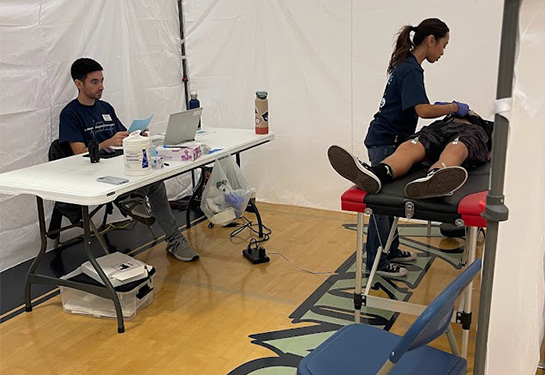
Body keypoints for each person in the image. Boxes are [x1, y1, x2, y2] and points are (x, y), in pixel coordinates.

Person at [329, 18, 473, 278]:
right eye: (443, 45)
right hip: (386, 140)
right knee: (382, 206)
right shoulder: (411, 69)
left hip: (389, 137)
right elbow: (423, 110)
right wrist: (453, 107)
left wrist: (441, 106)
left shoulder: (407, 65)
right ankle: (377, 261)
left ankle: (391, 249)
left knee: (392, 202)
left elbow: (418, 106)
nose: (442, 52)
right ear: (430, 41)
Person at [59, 57, 199, 262]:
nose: (101, 87)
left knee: (155, 179)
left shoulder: (105, 107)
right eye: (95, 82)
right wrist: (107, 143)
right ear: (78, 84)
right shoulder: (70, 114)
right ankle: (138, 204)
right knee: (153, 183)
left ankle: (142, 207)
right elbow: (79, 152)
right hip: (95, 173)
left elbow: (122, 136)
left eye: (102, 80)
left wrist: (136, 136)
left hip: (120, 165)